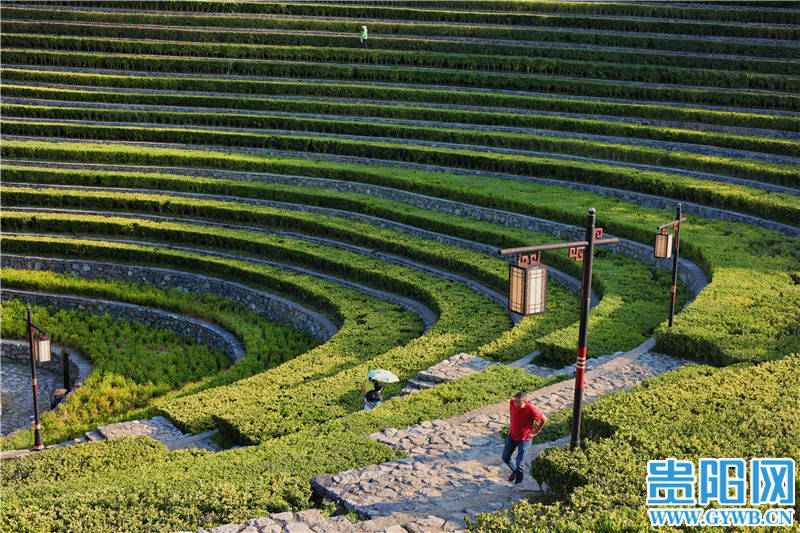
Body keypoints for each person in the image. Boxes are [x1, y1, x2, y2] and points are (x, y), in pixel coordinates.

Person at [502, 391, 546, 485]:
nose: (517, 404)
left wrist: (536, 431)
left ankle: (518, 484)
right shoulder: (511, 403)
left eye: (519, 403)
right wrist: (511, 425)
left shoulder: (531, 410)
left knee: (520, 465)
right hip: (512, 436)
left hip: (524, 440)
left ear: (525, 402)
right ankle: (514, 471)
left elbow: (544, 419)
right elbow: (512, 412)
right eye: (516, 402)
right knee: (505, 457)